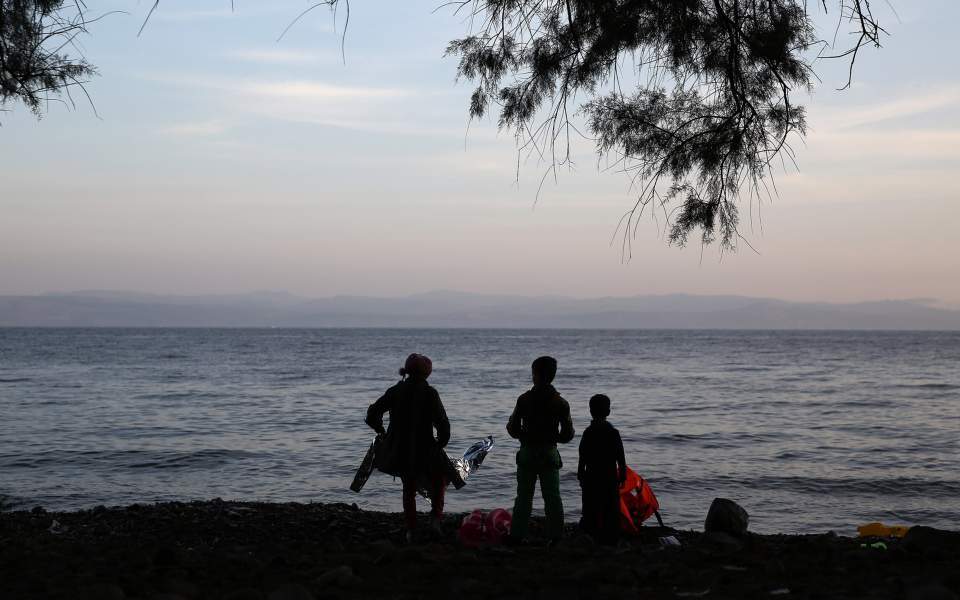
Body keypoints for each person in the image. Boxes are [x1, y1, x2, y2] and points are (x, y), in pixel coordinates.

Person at [366, 353, 450, 541]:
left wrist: (382, 432)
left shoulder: (395, 391)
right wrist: (440, 443)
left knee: (409, 487)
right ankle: (435, 520)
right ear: (427, 373)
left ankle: (412, 529)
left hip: (400, 448)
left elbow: (373, 413)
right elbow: (442, 423)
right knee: (439, 481)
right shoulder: (430, 393)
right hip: (426, 447)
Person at [506, 355, 575, 542]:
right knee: (553, 498)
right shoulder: (560, 403)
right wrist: (554, 438)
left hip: (528, 452)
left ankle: (517, 535)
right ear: (553, 376)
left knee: (523, 498)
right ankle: (556, 536)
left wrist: (524, 435)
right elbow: (568, 434)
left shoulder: (524, 399)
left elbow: (512, 429)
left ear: (535, 374)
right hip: (549, 453)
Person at [577, 393, 627, 544]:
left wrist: (580, 474)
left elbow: (582, 456)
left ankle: (590, 533)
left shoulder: (588, 432)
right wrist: (622, 474)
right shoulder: (613, 433)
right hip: (609, 477)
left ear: (590, 411)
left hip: (591, 476)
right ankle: (610, 536)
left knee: (590, 507)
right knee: (611, 509)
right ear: (609, 412)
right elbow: (620, 457)